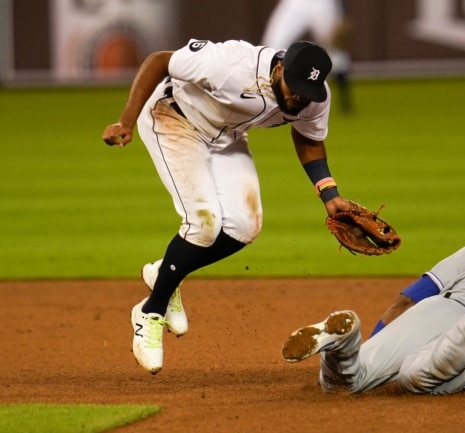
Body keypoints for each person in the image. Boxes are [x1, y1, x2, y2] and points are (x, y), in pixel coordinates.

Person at [102, 38, 359, 374]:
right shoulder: (230, 64)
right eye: (294, 87)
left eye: (307, 93)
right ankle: (150, 312)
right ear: (279, 69)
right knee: (203, 224)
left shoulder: (311, 95)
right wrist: (125, 120)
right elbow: (158, 60)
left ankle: (164, 273)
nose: (299, 98)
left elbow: (309, 137)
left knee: (245, 226)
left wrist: (329, 194)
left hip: (227, 137)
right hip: (173, 118)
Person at [281, 217, 465, 394]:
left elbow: (408, 300)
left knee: (352, 380)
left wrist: (376, 344)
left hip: (438, 310)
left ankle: (345, 342)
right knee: (413, 378)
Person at [262, 0, 353, 113]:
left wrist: (344, 13)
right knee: (272, 45)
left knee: (335, 51)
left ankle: (346, 104)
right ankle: (263, 98)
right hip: (295, 3)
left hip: (323, 4)